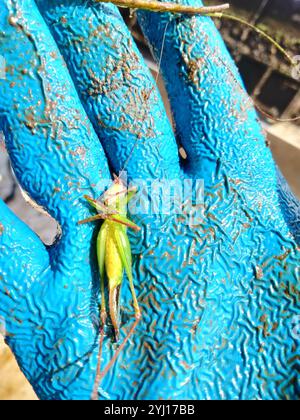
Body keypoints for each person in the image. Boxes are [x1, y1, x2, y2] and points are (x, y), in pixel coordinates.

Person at [0, 0, 299, 400]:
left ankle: (113, 314)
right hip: (110, 229)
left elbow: (113, 219)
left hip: (112, 230)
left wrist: (111, 211)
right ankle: (112, 312)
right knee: (108, 281)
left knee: (112, 283)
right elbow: (112, 219)